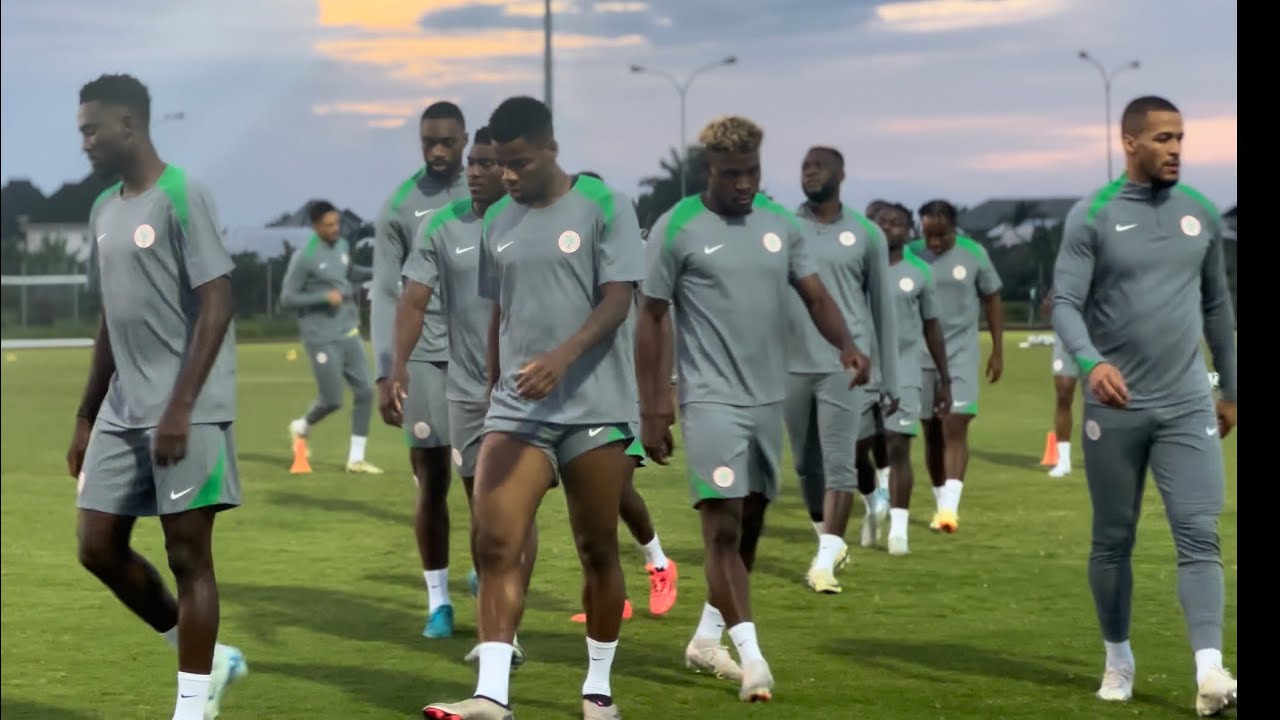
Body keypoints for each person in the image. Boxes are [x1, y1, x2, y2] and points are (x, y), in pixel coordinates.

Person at [423, 96, 645, 720]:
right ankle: (492, 694)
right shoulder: (498, 220)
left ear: (550, 147)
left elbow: (618, 300)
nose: (509, 176)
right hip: (518, 411)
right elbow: (500, 311)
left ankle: (597, 687)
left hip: (596, 407)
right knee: (494, 540)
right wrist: (498, 385)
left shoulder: (606, 206)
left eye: (518, 162)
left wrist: (562, 357)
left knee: (597, 547)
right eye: (500, 164)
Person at [637, 115, 869, 703]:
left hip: (768, 399)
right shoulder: (677, 227)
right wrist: (654, 407)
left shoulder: (778, 224)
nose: (744, 185)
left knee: (750, 529)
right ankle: (754, 660)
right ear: (707, 171)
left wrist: (846, 345)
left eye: (753, 173)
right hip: (710, 401)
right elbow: (652, 316)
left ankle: (706, 640)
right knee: (721, 530)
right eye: (731, 174)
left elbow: (815, 294)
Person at [67, 73, 246, 720]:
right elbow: (109, 319)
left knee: (187, 555)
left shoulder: (182, 194)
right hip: (122, 411)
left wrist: (181, 407)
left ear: (129, 127)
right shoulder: (104, 209)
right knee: (96, 547)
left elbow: (218, 301)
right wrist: (87, 414)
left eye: (92, 129)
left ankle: (192, 708)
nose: (83, 141)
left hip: (187, 411)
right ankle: (208, 656)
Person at [1052, 94, 1237, 716]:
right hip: (1117, 408)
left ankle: (1210, 671)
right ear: (1129, 143)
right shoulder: (1093, 216)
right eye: (1162, 138)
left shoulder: (1201, 214)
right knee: (1113, 539)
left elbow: (1217, 308)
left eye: (1180, 137)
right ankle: (1118, 657)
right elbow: (1065, 305)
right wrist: (1091, 363)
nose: (1176, 149)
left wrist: (1231, 389)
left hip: (1188, 403)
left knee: (1199, 534)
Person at [387, 128, 537, 652]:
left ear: (510, 170)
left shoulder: (531, 225)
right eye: (472, 163)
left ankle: (505, 633)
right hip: (465, 389)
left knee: (512, 508)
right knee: (479, 504)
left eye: (487, 163)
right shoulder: (443, 228)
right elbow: (412, 300)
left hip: (521, 389)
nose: (474, 172)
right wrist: (398, 366)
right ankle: (490, 604)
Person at [370, 101, 470, 637]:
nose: (437, 151)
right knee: (431, 478)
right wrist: (389, 371)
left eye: (447, 142)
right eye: (428, 141)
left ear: (465, 140)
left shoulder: (491, 192)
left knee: (487, 480)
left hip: (484, 358)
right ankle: (439, 601)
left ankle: (493, 572)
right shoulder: (400, 207)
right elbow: (386, 295)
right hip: (427, 359)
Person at [783, 145, 897, 593]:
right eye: (804, 166)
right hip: (791, 363)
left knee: (839, 463)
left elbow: (881, 309)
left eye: (818, 166)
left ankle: (825, 561)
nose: (809, 172)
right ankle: (828, 545)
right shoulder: (784, 228)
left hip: (845, 366)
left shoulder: (867, 233)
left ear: (840, 174)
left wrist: (889, 377)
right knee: (806, 467)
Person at [567, 170, 678, 623]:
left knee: (614, 489)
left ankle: (658, 564)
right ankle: (612, 595)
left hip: (626, 390)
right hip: (582, 389)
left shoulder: (629, 247)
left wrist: (661, 390)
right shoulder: (568, 246)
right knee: (587, 494)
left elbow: (656, 316)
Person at [907, 200, 1004, 533]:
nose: (934, 243)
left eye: (941, 235)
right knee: (932, 433)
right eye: (928, 235)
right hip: (919, 355)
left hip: (961, 352)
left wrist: (997, 351)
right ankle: (940, 502)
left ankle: (950, 510)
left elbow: (992, 298)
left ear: (954, 228)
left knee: (955, 424)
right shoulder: (911, 254)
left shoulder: (974, 253)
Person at [873, 202, 951, 555]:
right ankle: (873, 498)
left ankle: (899, 529)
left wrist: (944, 379)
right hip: (861, 371)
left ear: (909, 231)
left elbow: (932, 325)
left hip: (905, 369)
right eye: (882, 222)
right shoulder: (859, 268)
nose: (889, 228)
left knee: (898, 444)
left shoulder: (919, 272)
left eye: (897, 223)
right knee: (863, 449)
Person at [281, 199, 381, 473]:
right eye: (329, 225)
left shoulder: (342, 246)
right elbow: (287, 298)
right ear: (315, 226)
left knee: (365, 391)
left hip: (348, 331)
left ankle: (356, 459)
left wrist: (377, 272)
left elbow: (348, 273)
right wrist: (324, 297)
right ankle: (301, 427)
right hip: (321, 337)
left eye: (337, 223)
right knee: (332, 399)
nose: (335, 228)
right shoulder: (304, 257)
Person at [1042, 286, 1078, 477]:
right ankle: (1064, 460)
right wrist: (1050, 303)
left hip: (1097, 339)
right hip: (1066, 342)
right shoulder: (1065, 278)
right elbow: (1046, 309)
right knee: (1063, 395)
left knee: (1104, 400)